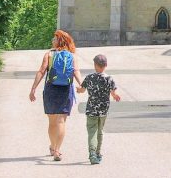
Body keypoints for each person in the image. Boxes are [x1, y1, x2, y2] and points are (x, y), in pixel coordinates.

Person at [29, 30, 83, 161]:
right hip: (65, 89)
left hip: (51, 89)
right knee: (61, 121)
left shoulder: (49, 54)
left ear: (59, 41)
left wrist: (33, 88)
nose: (52, 41)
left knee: (52, 121)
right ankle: (58, 150)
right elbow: (76, 72)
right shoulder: (72, 56)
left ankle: (53, 147)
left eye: (54, 39)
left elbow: (42, 71)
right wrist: (82, 85)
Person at [77, 54, 121, 165]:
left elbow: (82, 90)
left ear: (95, 65)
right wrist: (115, 96)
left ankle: (92, 153)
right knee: (100, 131)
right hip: (103, 109)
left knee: (92, 131)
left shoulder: (89, 77)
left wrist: (77, 89)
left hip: (91, 108)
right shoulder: (109, 78)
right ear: (105, 65)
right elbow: (113, 93)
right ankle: (98, 153)